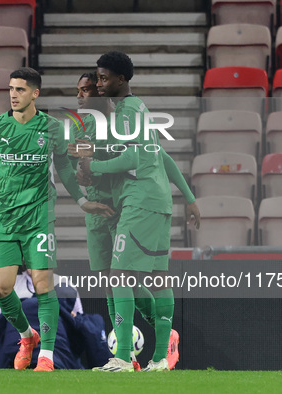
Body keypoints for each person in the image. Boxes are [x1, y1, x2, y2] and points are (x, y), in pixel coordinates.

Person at [0, 67, 114, 372]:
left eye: (20, 89)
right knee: (2, 289)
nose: (13, 95)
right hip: (5, 220)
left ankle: (45, 356)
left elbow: (66, 170)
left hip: (39, 219)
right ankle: (26, 335)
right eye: (11, 89)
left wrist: (82, 200)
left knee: (43, 284)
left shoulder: (51, 129)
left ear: (35, 93)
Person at [71, 51, 200, 372]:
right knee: (146, 277)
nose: (94, 88)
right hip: (137, 201)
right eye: (88, 85)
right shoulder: (120, 115)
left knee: (122, 276)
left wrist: (94, 166)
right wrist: (189, 197)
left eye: (99, 81)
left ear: (121, 80)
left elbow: (137, 159)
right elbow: (157, 155)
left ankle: (125, 354)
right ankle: (157, 355)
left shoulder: (125, 113)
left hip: (135, 201)